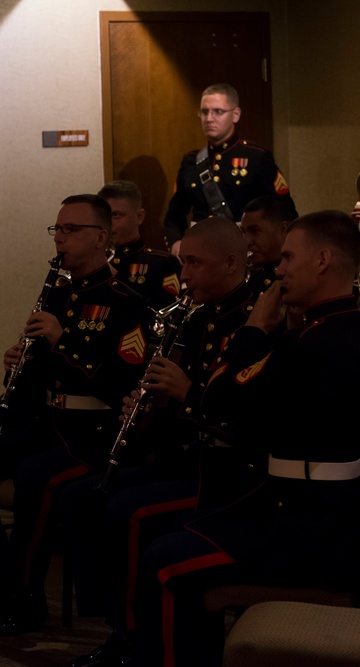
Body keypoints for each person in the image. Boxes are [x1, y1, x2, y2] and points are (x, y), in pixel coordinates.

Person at [134, 210, 360, 667]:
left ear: (322, 260)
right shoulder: (336, 329)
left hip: (315, 532)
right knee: (181, 530)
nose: (279, 268)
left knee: (165, 560)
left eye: (289, 257)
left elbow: (219, 395)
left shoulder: (312, 345)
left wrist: (254, 327)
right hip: (321, 513)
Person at [0, 195, 151, 636]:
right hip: (44, 424)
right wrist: (19, 364)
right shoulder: (59, 291)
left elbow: (121, 382)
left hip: (94, 433)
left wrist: (60, 340)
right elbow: (44, 375)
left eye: (71, 230)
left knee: (37, 477)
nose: (61, 239)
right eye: (57, 230)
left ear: (102, 238)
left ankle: (27, 592)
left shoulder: (127, 303)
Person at [64, 217, 261, 667]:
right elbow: (176, 417)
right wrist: (149, 411)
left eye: (195, 263)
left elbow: (243, 421)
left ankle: (134, 636)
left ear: (232, 262)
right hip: (185, 457)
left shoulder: (255, 322)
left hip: (230, 471)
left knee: (129, 512)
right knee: (87, 496)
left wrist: (185, 394)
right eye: (182, 262)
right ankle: (115, 619)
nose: (185, 276)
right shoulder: (193, 320)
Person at [163, 83, 296, 256]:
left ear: (236, 115)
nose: (209, 118)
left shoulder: (256, 157)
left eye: (218, 111)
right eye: (204, 112)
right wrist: (175, 242)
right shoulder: (191, 161)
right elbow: (174, 216)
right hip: (199, 252)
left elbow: (285, 212)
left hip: (243, 251)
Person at [98, 180, 181, 309]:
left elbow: (162, 316)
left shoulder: (164, 264)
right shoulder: (90, 259)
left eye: (116, 215)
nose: (108, 223)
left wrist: (116, 277)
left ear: (139, 217)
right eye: (103, 215)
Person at [241, 194, 295, 294]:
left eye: (254, 231)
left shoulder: (303, 278)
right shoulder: (249, 281)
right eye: (244, 232)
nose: (247, 241)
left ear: (283, 229)